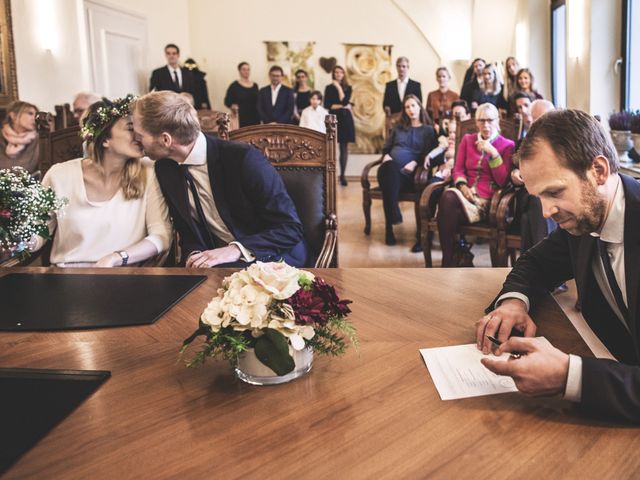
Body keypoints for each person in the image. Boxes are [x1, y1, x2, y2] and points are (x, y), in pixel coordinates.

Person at [477, 109, 640, 423]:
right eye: (538, 196)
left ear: (598, 171)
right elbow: (535, 263)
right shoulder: (584, 218)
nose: (547, 211)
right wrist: (513, 302)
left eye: (554, 192)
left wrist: (571, 377)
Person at [131, 91, 307, 268]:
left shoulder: (242, 159)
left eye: (139, 136)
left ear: (165, 139)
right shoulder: (165, 168)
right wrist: (195, 256)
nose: (135, 141)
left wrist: (236, 250)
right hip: (216, 268)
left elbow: (290, 228)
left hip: (272, 259)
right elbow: (188, 232)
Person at [35, 95, 172, 267]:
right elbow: (39, 232)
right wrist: (17, 240)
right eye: (131, 128)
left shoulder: (149, 172)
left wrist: (116, 258)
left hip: (124, 274)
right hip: (66, 275)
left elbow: (162, 235)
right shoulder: (59, 175)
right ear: (105, 139)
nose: (140, 136)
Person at [436, 103, 514, 267]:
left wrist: (493, 154)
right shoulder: (467, 140)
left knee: (447, 213)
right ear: (476, 122)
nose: (486, 125)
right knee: (447, 197)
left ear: (497, 121)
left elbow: (502, 181)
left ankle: (454, 256)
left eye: (490, 120)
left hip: (489, 202)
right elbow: (457, 170)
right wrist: (463, 186)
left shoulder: (507, 145)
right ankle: (448, 260)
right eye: (482, 120)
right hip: (465, 197)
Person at [377, 95, 438, 249]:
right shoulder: (398, 128)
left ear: (419, 106)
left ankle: (390, 228)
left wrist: (416, 162)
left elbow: (430, 153)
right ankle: (395, 214)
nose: (411, 110)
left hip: (410, 175)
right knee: (388, 170)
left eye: (413, 106)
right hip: (389, 169)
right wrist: (386, 156)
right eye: (407, 107)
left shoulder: (428, 130)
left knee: (388, 186)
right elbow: (386, 147)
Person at [510, 97, 557, 252]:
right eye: (535, 119)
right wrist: (515, 173)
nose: (538, 124)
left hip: (556, 192)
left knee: (527, 219)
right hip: (530, 195)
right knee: (538, 200)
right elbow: (516, 167)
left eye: (543, 119)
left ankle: (536, 261)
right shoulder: (523, 142)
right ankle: (546, 257)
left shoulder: (562, 143)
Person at [324, 65, 355, 186]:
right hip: (333, 119)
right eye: (336, 72)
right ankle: (331, 174)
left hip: (346, 119)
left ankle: (343, 175)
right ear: (333, 74)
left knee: (344, 148)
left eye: (340, 72)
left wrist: (338, 87)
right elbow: (328, 105)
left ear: (343, 74)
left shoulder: (348, 87)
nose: (338, 74)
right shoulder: (328, 88)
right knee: (331, 147)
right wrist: (343, 106)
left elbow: (345, 101)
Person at [0, 101, 39, 173]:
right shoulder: (1, 138)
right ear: (13, 116)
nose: (35, 118)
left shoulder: (39, 140)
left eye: (36, 115)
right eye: (30, 113)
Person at [223, 62, 260, 127]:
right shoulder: (234, 86)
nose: (246, 71)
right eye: (244, 69)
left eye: (248, 69)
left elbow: (259, 101)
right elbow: (227, 101)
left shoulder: (255, 85)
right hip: (241, 119)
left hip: (255, 118)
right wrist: (233, 106)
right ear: (239, 71)